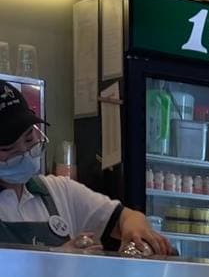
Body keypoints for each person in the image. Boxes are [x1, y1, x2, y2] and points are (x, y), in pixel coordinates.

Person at [0, 82, 170, 255]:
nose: (25, 152)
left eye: (29, 139)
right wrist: (57, 257)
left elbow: (127, 216)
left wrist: (134, 228)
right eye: (8, 148)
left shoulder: (59, 190)